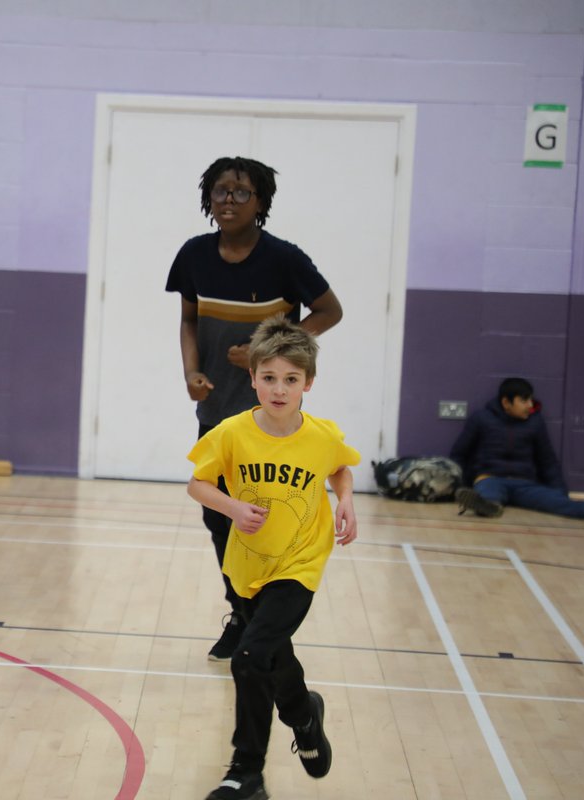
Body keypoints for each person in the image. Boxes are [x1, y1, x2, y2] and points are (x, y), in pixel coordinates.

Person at [165, 156, 344, 661]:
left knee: (266, 519)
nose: (228, 200)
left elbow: (331, 310)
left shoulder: (284, 258)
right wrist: (190, 372)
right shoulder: (194, 256)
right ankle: (241, 613)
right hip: (216, 411)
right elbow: (187, 320)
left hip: (271, 421)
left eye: (241, 193)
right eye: (220, 191)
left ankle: (261, 620)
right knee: (220, 521)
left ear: (261, 202)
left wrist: (274, 349)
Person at [186, 316, 358, 800]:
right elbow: (197, 483)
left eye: (291, 380)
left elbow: (341, 466)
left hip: (299, 565)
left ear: (308, 383)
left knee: (249, 655)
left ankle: (247, 771)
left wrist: (344, 499)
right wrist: (234, 507)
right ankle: (304, 716)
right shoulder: (232, 432)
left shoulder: (321, 435)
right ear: (253, 376)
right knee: (273, 656)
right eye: (269, 378)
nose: (279, 390)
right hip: (248, 567)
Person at [450, 377, 584, 522]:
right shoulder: (481, 419)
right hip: (489, 478)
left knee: (554, 501)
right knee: (487, 492)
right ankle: (487, 507)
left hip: (525, 484)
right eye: (524, 401)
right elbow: (459, 454)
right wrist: (458, 486)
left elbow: (548, 461)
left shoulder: (535, 422)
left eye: (530, 400)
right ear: (506, 403)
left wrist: (560, 493)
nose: (530, 405)